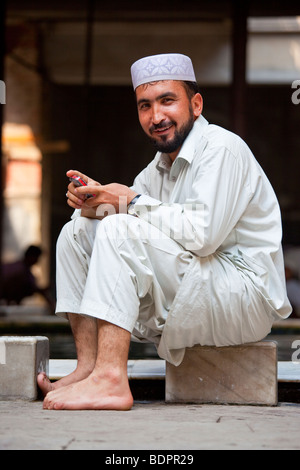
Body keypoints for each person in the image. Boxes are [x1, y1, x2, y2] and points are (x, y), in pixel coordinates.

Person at [37, 53, 292, 410]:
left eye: (167, 101)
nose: (156, 117)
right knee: (76, 232)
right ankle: (91, 367)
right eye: (145, 106)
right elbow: (144, 233)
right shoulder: (151, 174)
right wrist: (96, 206)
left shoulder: (222, 149)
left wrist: (128, 201)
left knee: (120, 227)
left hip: (244, 295)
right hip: (197, 287)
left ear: (196, 104)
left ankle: (111, 380)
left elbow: (203, 238)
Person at [1, 245, 55, 312]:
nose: (38, 260)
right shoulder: (18, 270)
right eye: (37, 257)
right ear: (31, 256)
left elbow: (35, 288)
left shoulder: (27, 272)